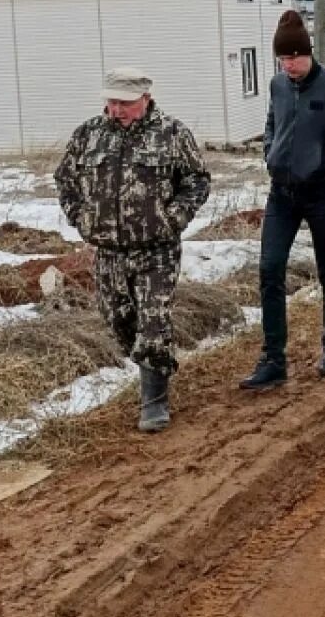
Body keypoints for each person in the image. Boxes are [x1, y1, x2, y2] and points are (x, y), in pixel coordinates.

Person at [55, 67, 211, 433]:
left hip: (156, 250)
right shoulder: (89, 134)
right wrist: (81, 217)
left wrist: (173, 218)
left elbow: (197, 181)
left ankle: (153, 402)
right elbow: (65, 179)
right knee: (119, 319)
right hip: (108, 250)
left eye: (125, 103)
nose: (117, 109)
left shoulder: (171, 133)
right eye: (111, 102)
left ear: (145, 98)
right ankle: (152, 367)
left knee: (153, 321)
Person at [239, 10, 325, 391]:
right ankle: (273, 358)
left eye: (295, 57)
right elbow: (272, 124)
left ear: (308, 53)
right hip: (281, 194)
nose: (289, 66)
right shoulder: (278, 86)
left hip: (323, 194)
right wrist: (270, 152)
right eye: (283, 59)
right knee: (269, 270)